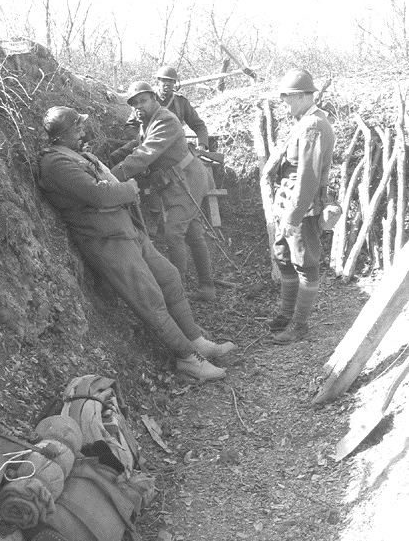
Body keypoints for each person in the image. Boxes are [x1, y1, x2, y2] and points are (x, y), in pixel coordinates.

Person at [38, 106, 236, 380]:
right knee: (150, 299)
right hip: (107, 241)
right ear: (62, 135)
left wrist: (120, 191)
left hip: (127, 229)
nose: (83, 130)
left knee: (169, 277)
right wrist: (129, 189)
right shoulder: (56, 164)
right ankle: (188, 359)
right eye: (77, 127)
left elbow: (108, 184)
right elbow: (99, 195)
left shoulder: (78, 155)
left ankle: (195, 340)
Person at [110, 82, 217, 303]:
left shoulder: (166, 119)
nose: (138, 107)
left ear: (154, 99)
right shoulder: (148, 121)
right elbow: (140, 144)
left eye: (143, 101)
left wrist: (111, 176)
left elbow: (146, 153)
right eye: (134, 104)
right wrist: (117, 155)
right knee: (193, 232)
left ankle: (178, 292)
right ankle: (207, 287)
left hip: (187, 180)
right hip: (177, 182)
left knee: (173, 233)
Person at [261, 69, 336, 344]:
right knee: (283, 257)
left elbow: (308, 177)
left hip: (302, 209)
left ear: (307, 96)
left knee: (306, 264)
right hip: (288, 205)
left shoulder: (314, 125)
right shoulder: (303, 121)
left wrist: (292, 216)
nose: (286, 103)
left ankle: (300, 323)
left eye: (291, 97)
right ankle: (286, 313)